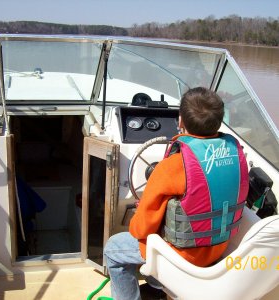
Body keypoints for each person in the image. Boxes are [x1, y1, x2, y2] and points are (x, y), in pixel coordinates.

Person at [104, 87, 249, 300]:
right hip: (219, 248)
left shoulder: (172, 166)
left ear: (180, 121)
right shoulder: (237, 156)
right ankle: (157, 285)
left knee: (113, 248)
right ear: (219, 121)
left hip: (183, 256)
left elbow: (140, 230)